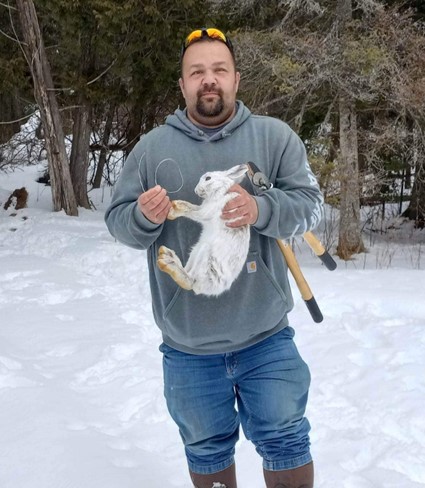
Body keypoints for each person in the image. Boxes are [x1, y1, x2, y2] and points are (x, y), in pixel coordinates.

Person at [105, 27, 323, 488]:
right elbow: (117, 221)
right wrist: (142, 216)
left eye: (219, 70)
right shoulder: (151, 149)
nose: (209, 80)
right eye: (197, 71)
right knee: (206, 450)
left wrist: (262, 208)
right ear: (182, 85)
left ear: (236, 79)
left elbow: (310, 207)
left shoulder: (274, 138)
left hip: (266, 339)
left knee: (286, 440)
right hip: (188, 350)